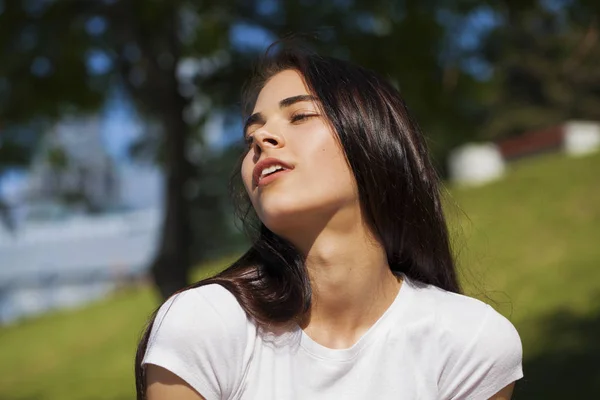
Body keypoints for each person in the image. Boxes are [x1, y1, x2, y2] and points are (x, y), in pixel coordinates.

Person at [135, 43, 523, 400]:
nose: (262, 138)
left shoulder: (471, 341)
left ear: (373, 138)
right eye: (251, 134)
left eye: (300, 115)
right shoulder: (203, 322)